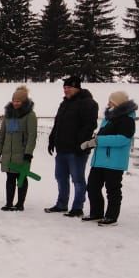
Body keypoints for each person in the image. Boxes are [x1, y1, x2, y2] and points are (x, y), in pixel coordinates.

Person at [82, 91, 138, 225]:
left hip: (114, 161)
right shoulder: (108, 118)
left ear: (118, 103)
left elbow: (123, 139)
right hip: (99, 160)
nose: (108, 104)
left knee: (112, 190)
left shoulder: (127, 119)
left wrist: (98, 141)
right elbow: (101, 135)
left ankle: (112, 216)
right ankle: (96, 212)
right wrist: (91, 142)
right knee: (92, 187)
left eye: (111, 101)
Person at [46, 75, 98, 217]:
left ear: (77, 88)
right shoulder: (64, 104)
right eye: (65, 87)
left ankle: (77, 207)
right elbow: (58, 124)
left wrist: (80, 144)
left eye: (69, 87)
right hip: (62, 148)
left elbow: (90, 125)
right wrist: (52, 140)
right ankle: (62, 204)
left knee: (77, 179)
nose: (66, 90)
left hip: (76, 150)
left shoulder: (87, 103)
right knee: (60, 177)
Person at [0, 85, 38, 211]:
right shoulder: (8, 115)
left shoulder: (30, 115)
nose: (15, 103)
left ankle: (20, 203)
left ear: (24, 101)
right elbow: (2, 134)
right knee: (9, 178)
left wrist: (28, 153)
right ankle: (9, 202)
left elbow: (32, 135)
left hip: (22, 153)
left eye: (18, 101)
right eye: (14, 101)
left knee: (21, 177)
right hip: (8, 153)